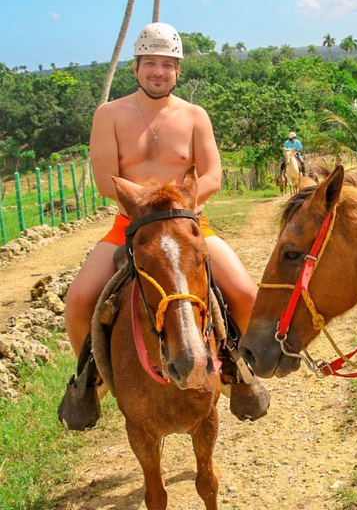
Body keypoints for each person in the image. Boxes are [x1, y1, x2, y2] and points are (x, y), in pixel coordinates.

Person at [59, 22, 270, 430]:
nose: (159, 71)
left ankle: (237, 369)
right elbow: (106, 179)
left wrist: (177, 206)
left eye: (167, 65)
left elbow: (211, 176)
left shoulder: (194, 116)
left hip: (190, 223)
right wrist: (148, 207)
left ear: (178, 70)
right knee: (80, 299)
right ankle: (93, 375)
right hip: (130, 223)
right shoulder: (110, 114)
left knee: (246, 292)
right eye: (150, 63)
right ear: (136, 67)